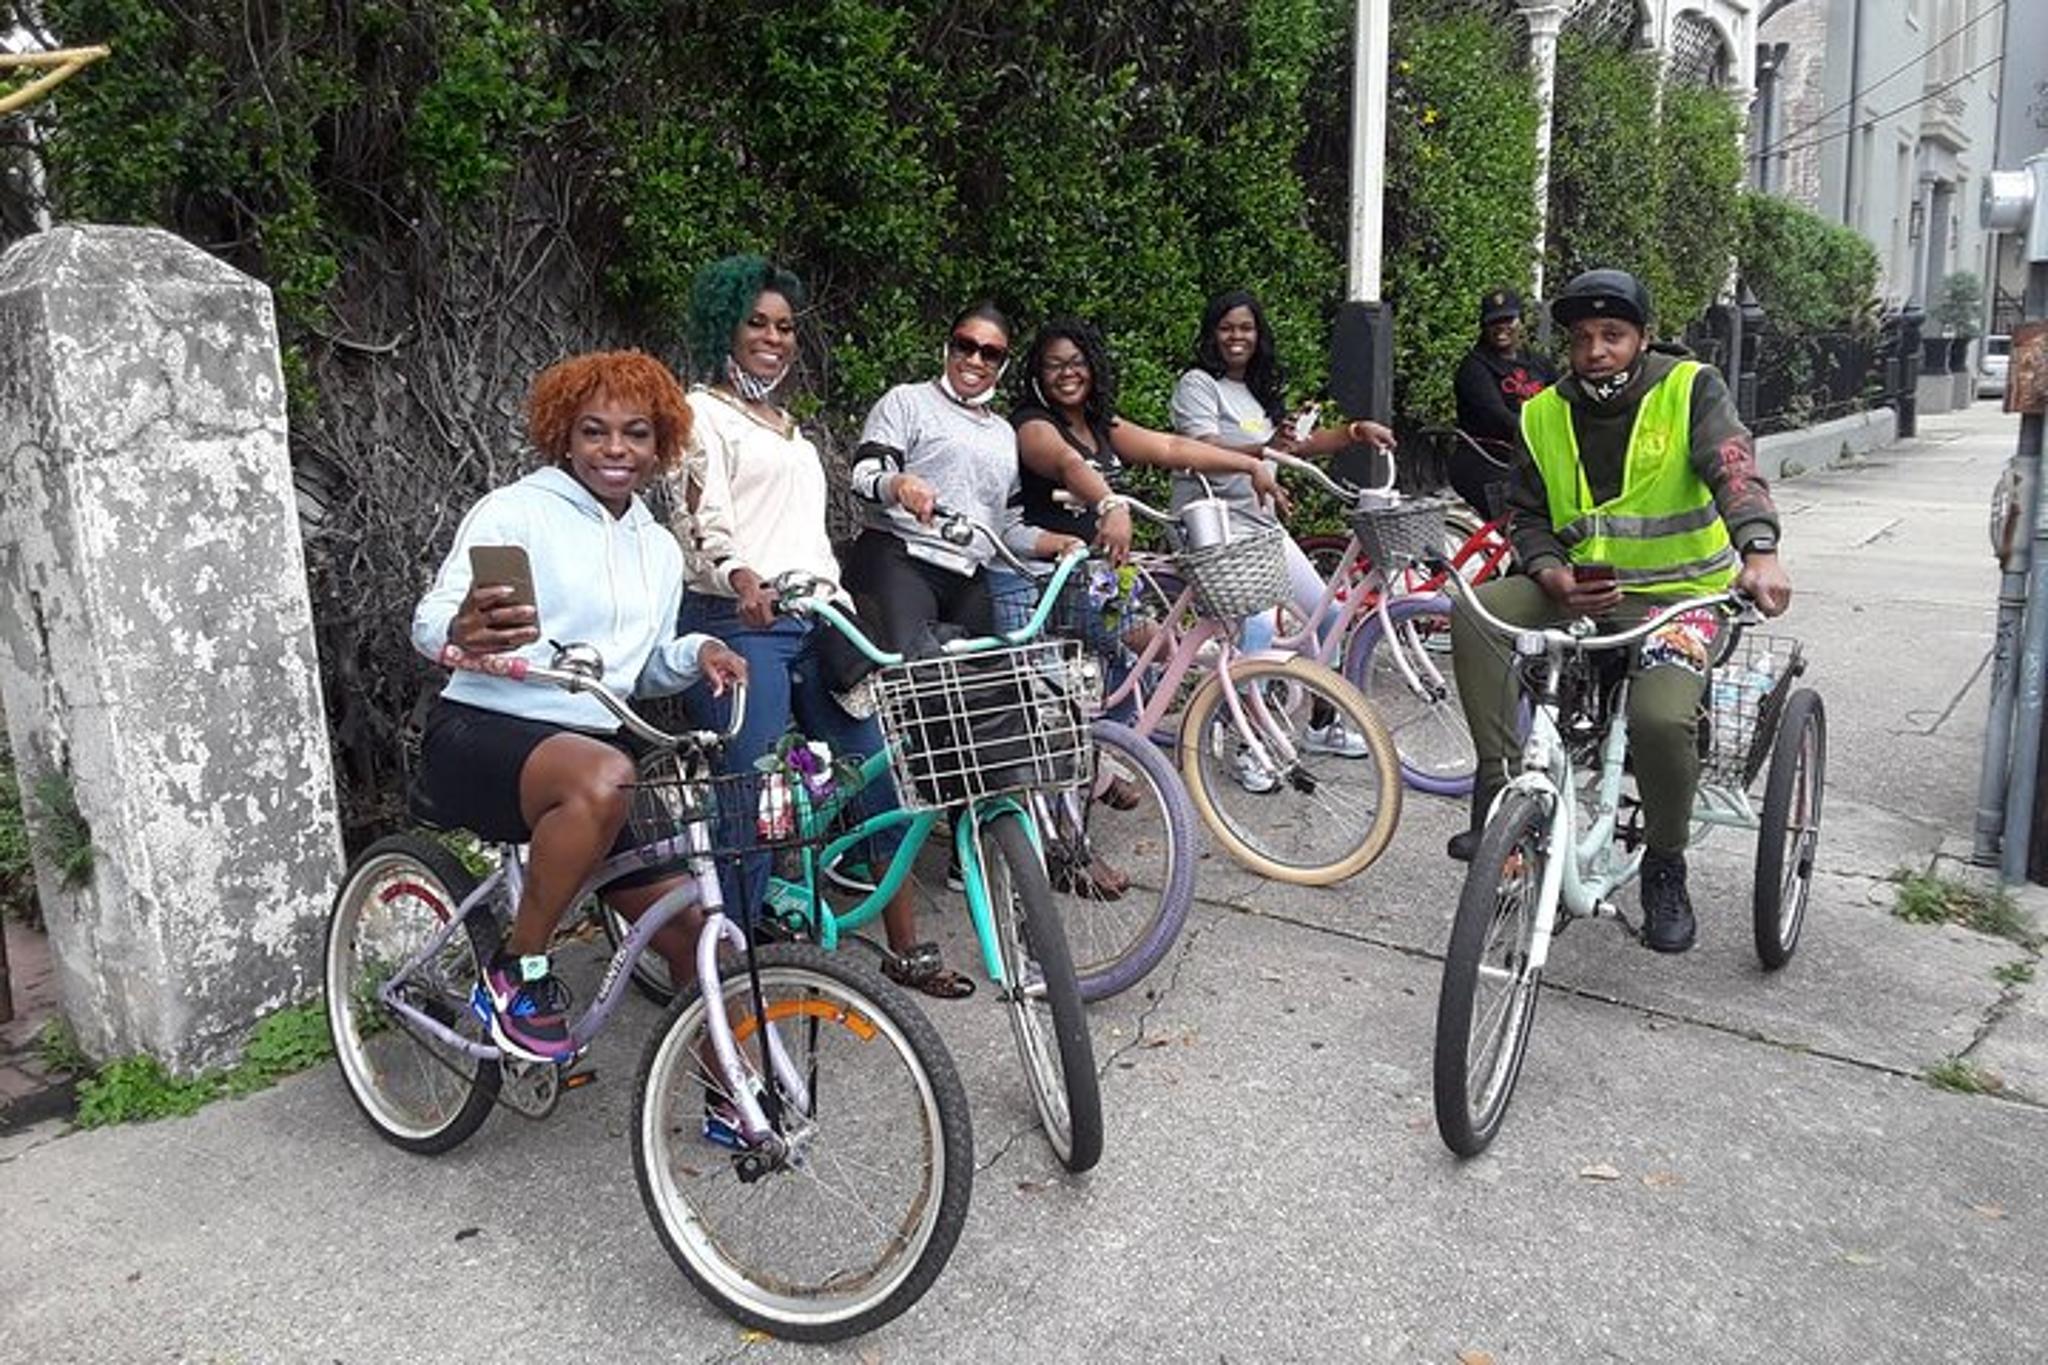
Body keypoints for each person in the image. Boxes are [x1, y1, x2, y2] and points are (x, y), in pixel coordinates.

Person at [411, 350, 747, 1062]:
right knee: (605, 774)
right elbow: (430, 621)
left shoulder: (656, 548)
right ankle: (515, 969)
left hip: (594, 754)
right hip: (485, 729)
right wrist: (461, 631)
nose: (616, 450)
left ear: (661, 444)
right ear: (565, 435)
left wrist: (697, 655)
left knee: (688, 930)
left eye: (636, 433)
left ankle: (737, 1102)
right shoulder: (516, 510)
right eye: (595, 432)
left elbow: (643, 669)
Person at [1447, 268, 1793, 954]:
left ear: (1643, 338)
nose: (1596, 350)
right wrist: (1550, 574)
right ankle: (1497, 788)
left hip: (1679, 601)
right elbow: (1526, 512)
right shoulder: (1542, 411)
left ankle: (1666, 862)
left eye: (1613, 335)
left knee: (1661, 719)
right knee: (1475, 611)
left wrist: (1759, 549)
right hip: (1579, 594)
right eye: (1581, 338)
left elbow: (1733, 465)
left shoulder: (1690, 388)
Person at [670, 255, 959, 998]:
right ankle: (734, 978)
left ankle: (907, 948)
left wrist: (835, 597)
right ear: (724, 328)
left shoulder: (794, 430)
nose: (773, 337)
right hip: (742, 623)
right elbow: (699, 517)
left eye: (785, 327)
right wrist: (741, 577)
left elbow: (804, 532)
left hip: (820, 623)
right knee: (755, 798)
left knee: (880, 774)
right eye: (757, 323)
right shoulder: (698, 413)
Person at [1168, 288, 1397, 791]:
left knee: (1331, 614)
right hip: (1215, 527)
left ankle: (1319, 723)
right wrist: (1264, 449)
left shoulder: (1254, 392)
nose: (1237, 337)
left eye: (1246, 328)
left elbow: (1299, 447)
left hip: (1261, 525)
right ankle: (1246, 741)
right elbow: (1201, 449)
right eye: (1226, 327)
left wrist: (1356, 431)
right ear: (1211, 334)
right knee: (1256, 630)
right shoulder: (1198, 385)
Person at [1451, 287, 1556, 516]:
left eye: (1508, 320)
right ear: (1483, 326)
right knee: (1520, 526)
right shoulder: (1474, 368)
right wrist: (1543, 439)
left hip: (1529, 460)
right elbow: (1498, 418)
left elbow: (1562, 402)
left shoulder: (1539, 363)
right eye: (1493, 322)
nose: (1501, 327)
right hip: (1489, 462)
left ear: (1521, 321)